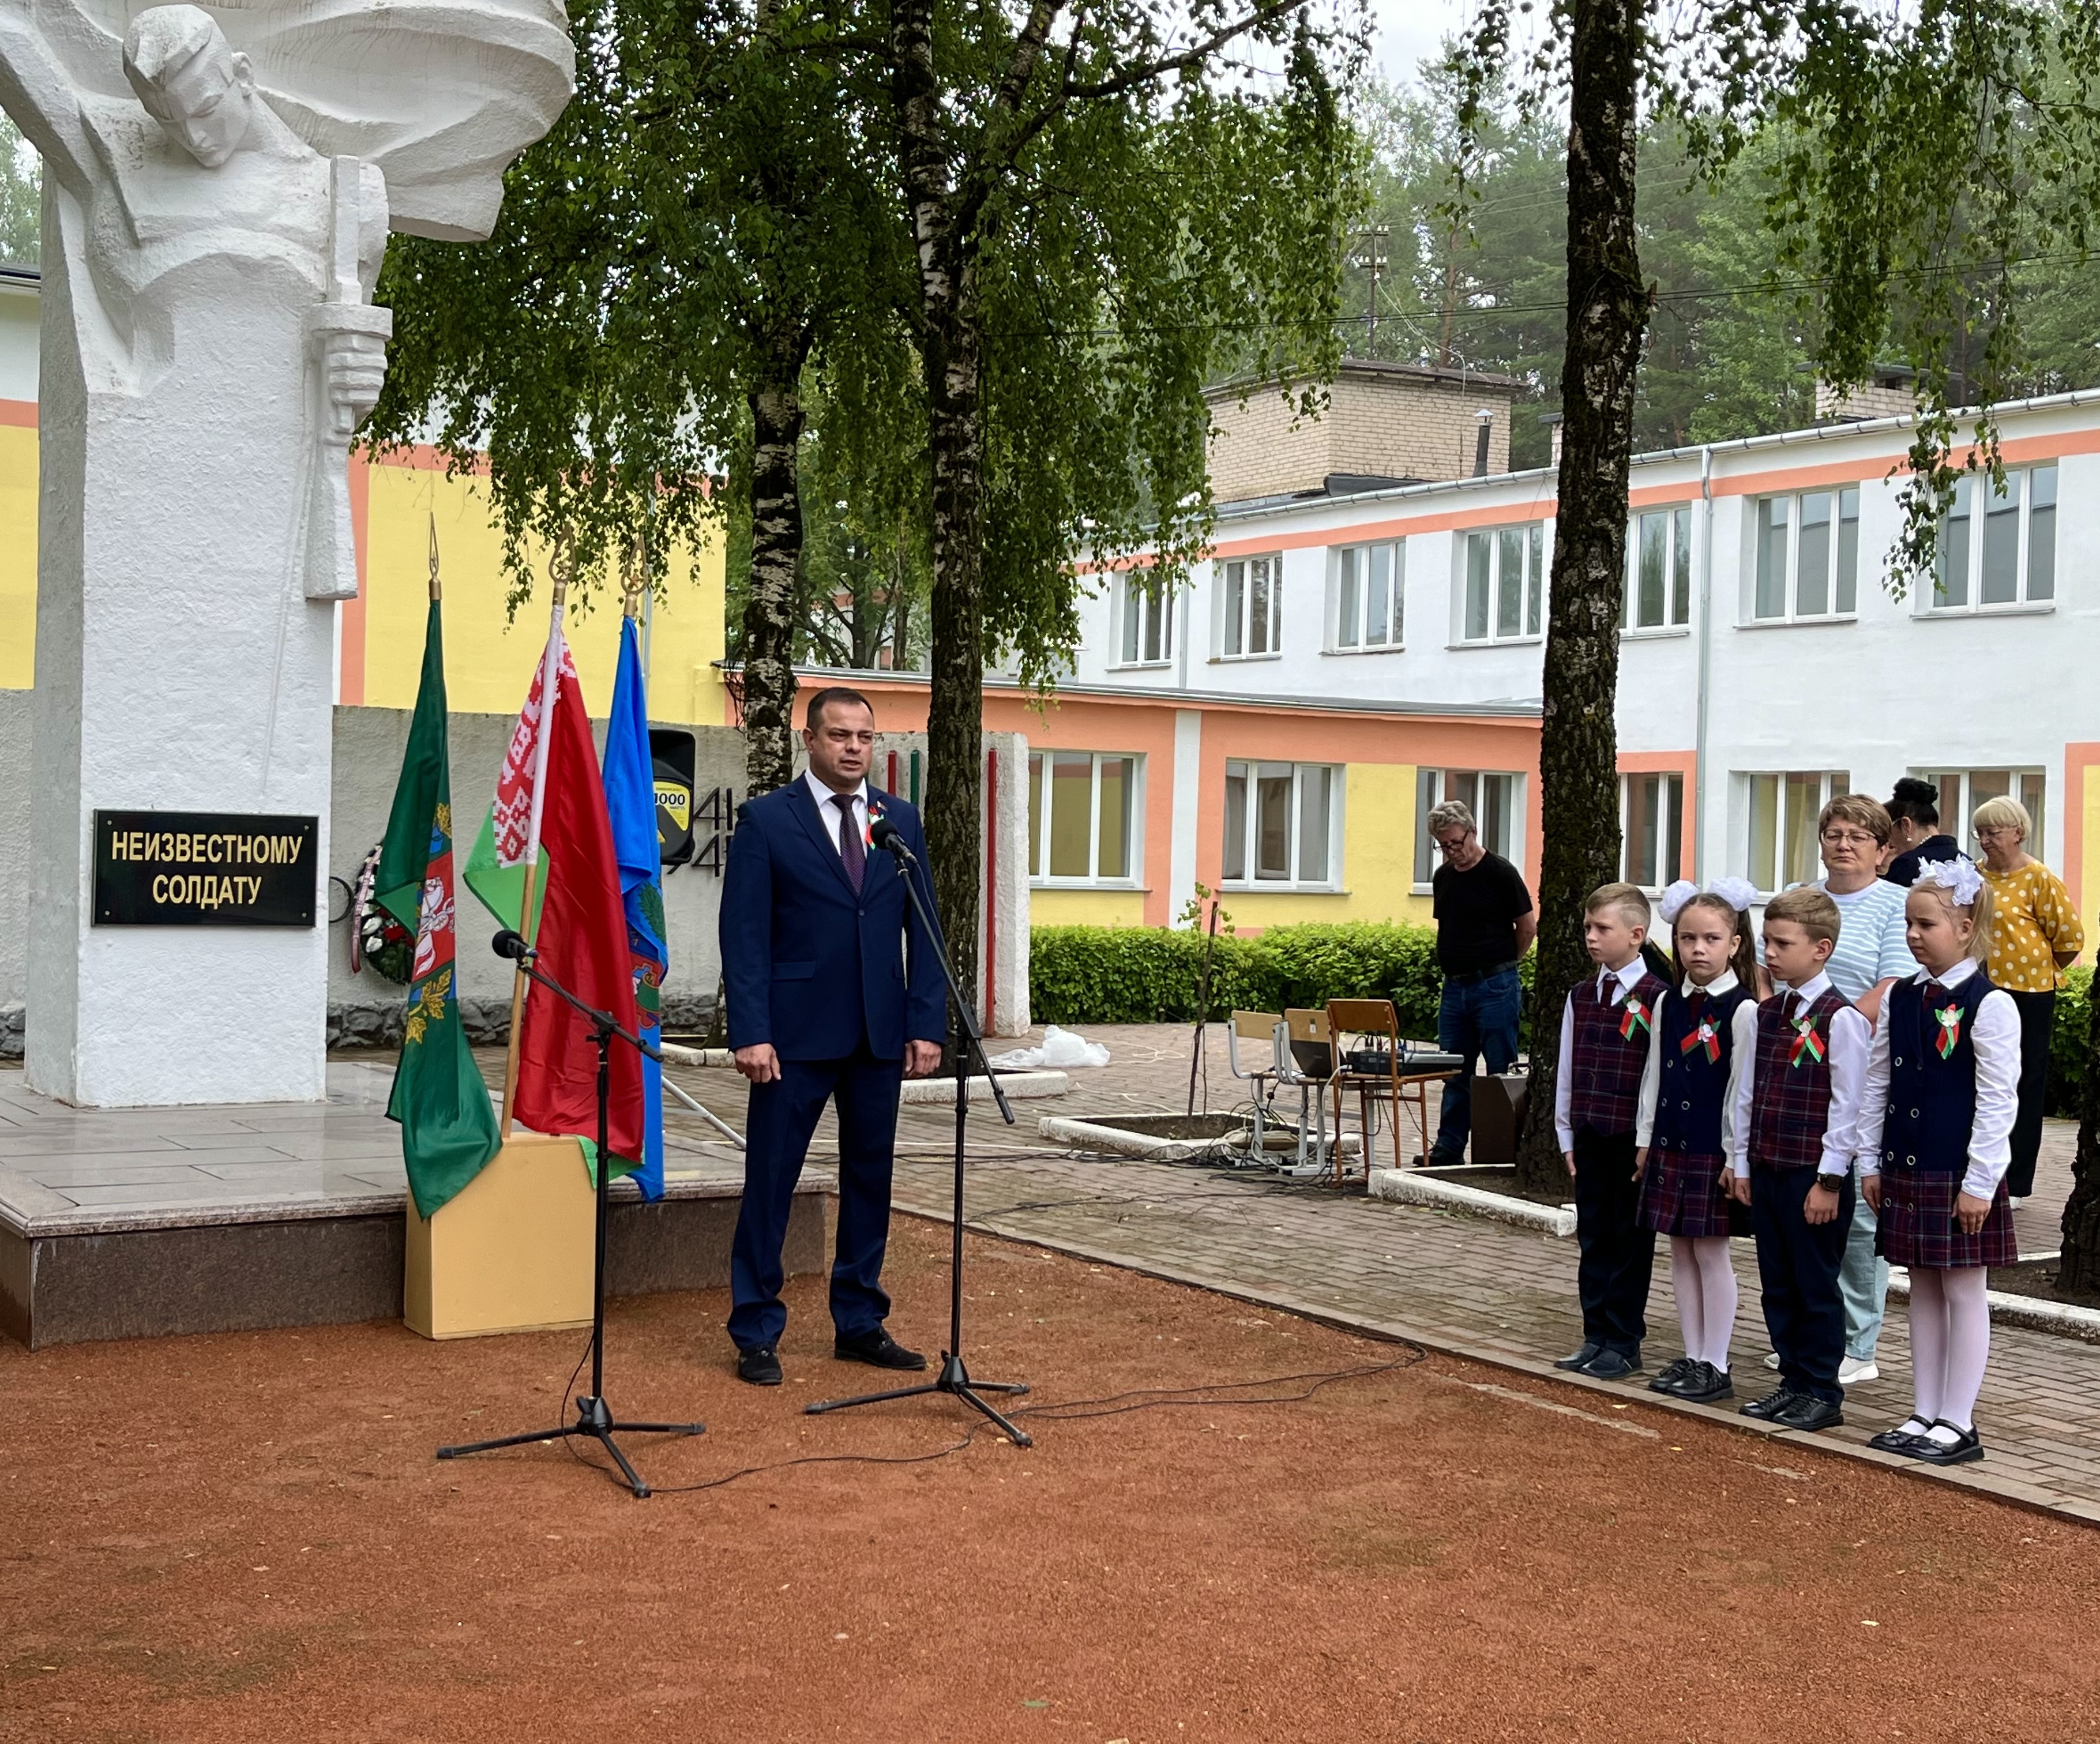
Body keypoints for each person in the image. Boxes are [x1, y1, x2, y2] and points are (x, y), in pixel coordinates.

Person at [719, 687, 948, 1386]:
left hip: (878, 1036)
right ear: (810, 741)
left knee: (869, 1181)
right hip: (791, 1040)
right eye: (840, 735)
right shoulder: (766, 821)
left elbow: (925, 928)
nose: (854, 747)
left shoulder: (898, 820)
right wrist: (751, 1031)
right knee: (771, 1184)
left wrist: (924, 1022)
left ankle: (858, 1322)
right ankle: (756, 1328)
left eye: (865, 737)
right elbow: (744, 935)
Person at [1858, 858, 2019, 1465]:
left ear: (1965, 923)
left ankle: (1958, 1419)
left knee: (1962, 1290)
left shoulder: (1989, 1003)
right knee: (1920, 1286)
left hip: (1955, 1173)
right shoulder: (1900, 997)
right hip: (1904, 1165)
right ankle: (1923, 1410)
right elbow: (1878, 1083)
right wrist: (1870, 1161)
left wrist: (1979, 1182)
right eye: (1907, 923)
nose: (1912, 934)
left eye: (1925, 923)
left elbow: (1997, 1100)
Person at [1786, 794, 1915, 1389]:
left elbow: (1888, 986)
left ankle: (1856, 1343)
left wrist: (1827, 1026)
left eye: (1857, 837)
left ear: (1882, 850)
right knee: (1802, 1201)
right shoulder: (1803, 898)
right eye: (1833, 833)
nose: (1842, 844)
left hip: (1861, 1066)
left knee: (1858, 1214)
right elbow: (1775, 972)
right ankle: (1812, 1335)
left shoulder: (1894, 907)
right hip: (1796, 1068)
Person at [1730, 887, 1870, 1433]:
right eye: (1766, 940)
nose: (1770, 951)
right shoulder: (1767, 1014)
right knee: (1778, 1281)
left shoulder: (1842, 1019)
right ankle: (1790, 1379)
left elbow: (1849, 1105)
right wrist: (1742, 1164)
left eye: (1782, 943)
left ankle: (1821, 1388)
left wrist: (1830, 1180)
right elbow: (1747, 1092)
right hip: (1768, 1167)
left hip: (1813, 1178)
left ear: (1820, 948)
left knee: (1815, 1285)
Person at [1633, 878, 1763, 1404]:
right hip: (1670, 1141)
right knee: (1679, 1251)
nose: (1698, 950)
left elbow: (1742, 1089)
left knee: (1711, 1254)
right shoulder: (1667, 1002)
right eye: (1687, 939)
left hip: (1712, 1146)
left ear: (1733, 943)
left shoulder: (1744, 1009)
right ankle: (1692, 1353)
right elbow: (1654, 1075)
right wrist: (1645, 1137)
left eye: (1710, 939)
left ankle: (1715, 1360)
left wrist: (1736, 1155)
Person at [1552, 883, 1671, 1381]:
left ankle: (1623, 1340)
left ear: (1636, 935)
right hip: (1590, 1131)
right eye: (1587, 928)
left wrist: (1646, 1140)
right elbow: (1566, 1068)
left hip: (1629, 1138)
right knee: (1594, 1236)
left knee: (1629, 1240)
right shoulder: (1581, 995)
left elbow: (1655, 1077)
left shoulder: (1657, 997)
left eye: (1602, 929)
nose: (1591, 938)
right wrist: (1565, 1133)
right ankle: (1594, 1332)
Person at [1973, 795, 2086, 1203]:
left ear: (2017, 833)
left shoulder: (2038, 877)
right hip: (1983, 988)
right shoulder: (1974, 874)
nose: (1984, 840)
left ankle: (2017, 1182)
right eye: (1980, 833)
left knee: (2022, 1085)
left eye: (1993, 832)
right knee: (1981, 1082)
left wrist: (2039, 965)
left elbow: (2070, 938)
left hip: (2029, 993)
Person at [1424, 800, 1536, 1164]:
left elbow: (1527, 927)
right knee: (1455, 1070)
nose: (1453, 851)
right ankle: (1449, 1149)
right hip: (1454, 987)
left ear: (1473, 832)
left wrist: (1506, 967)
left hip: (1495, 985)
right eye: (1444, 845)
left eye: (1457, 842)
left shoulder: (1500, 872)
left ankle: (1501, 1150)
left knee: (1501, 1069)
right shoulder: (1444, 877)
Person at [1883, 777, 1959, 888]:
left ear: (1906, 825)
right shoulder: (1965, 862)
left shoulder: (1907, 865)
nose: (1889, 841)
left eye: (1888, 829)